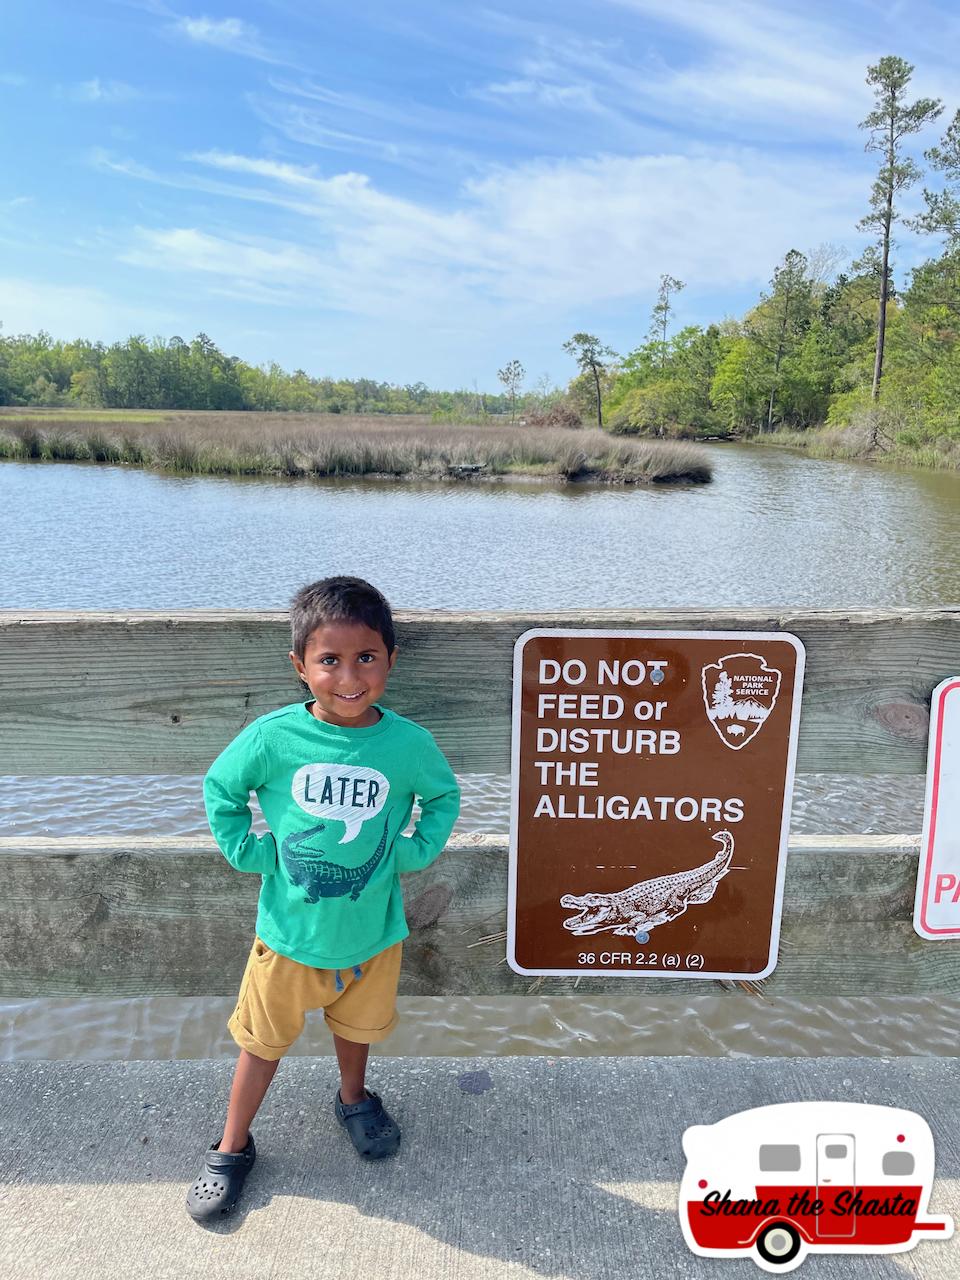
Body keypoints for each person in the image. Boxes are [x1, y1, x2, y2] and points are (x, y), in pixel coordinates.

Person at [186, 576, 461, 1222]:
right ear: (299, 667)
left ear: (391, 660)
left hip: (372, 937)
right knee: (261, 1042)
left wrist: (412, 851)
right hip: (287, 940)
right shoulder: (273, 738)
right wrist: (253, 853)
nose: (348, 676)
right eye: (328, 660)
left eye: (366, 657)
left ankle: (354, 1098)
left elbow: (443, 797)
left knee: (356, 1030)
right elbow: (222, 790)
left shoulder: (408, 744)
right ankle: (232, 1143)